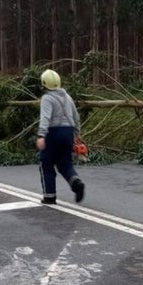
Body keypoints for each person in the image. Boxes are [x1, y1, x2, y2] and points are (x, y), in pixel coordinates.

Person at [36, 69, 85, 205]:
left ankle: (49, 196)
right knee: (65, 163)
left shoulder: (47, 98)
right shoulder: (68, 97)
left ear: (44, 84)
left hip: (53, 132)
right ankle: (76, 182)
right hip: (68, 132)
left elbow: (45, 118)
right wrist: (77, 135)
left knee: (46, 163)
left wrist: (41, 135)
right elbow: (76, 117)